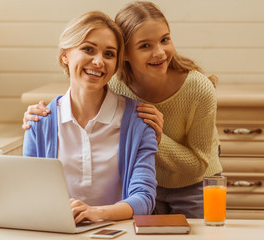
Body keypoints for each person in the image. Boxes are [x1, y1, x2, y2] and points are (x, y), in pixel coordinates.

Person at [22, 1, 223, 219]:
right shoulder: (116, 84)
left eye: (164, 40)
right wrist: (46, 116)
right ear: (125, 56)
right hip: (145, 186)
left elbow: (196, 167)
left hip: (191, 183)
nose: (159, 52)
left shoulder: (195, 89)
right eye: (145, 45)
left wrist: (155, 136)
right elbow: (85, 87)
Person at [23, 10, 158, 224]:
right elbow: (30, 194)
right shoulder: (39, 122)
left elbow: (144, 198)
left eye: (109, 54)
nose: (98, 61)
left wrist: (96, 213)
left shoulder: (138, 122)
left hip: (118, 234)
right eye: (88, 49)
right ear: (65, 55)